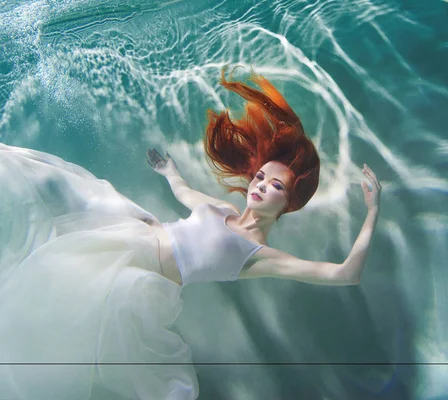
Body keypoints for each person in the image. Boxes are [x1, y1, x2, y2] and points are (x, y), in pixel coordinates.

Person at [0, 68, 381, 400]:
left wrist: (372, 211)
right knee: (49, 180)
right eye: (260, 177)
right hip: (130, 229)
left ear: (289, 204)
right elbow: (185, 195)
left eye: (276, 186)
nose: (261, 185)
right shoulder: (223, 210)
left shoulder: (259, 255)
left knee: (56, 316)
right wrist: (169, 171)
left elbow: (345, 274)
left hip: (137, 275)